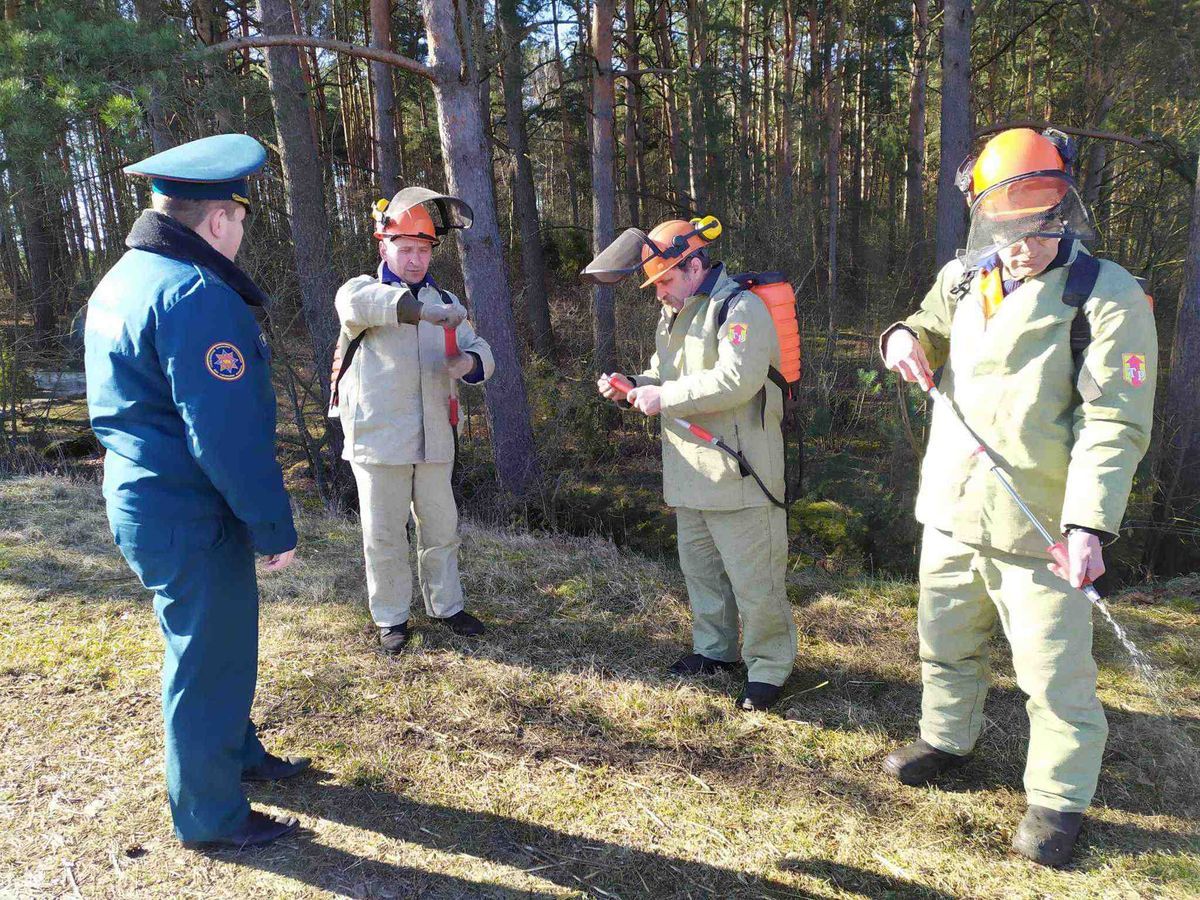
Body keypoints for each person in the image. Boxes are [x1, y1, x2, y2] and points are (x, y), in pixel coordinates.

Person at [879, 128, 1157, 866]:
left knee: (1053, 673)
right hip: (950, 506)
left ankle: (1059, 800)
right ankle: (946, 737)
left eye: (1039, 228)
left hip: (1043, 527)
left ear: (1063, 211)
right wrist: (901, 339)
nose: (1019, 245)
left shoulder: (1106, 293)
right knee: (944, 640)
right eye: (1004, 229)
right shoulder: (965, 275)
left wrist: (1090, 524)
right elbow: (926, 325)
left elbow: (1116, 420)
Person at [84, 134, 310, 848]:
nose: (242, 233)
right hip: (190, 506)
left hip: (146, 497)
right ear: (218, 221)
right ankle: (211, 818)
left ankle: (237, 756)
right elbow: (227, 435)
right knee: (205, 655)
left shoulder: (124, 277)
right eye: (240, 218)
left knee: (217, 642)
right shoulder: (195, 294)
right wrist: (273, 526)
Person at [585, 218, 797, 711]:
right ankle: (714, 651)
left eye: (664, 280)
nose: (659, 292)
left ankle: (768, 667)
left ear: (694, 265)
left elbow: (736, 380)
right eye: (655, 284)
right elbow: (666, 374)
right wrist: (633, 383)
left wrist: (665, 395)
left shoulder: (740, 308)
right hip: (690, 474)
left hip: (742, 474)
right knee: (701, 573)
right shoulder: (674, 313)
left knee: (755, 580)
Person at [330, 188, 494, 653]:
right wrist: (426, 313)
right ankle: (392, 617)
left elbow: (479, 348)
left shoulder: (446, 297)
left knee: (441, 528)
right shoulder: (360, 290)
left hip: (436, 435)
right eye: (406, 249)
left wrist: (469, 363)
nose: (416, 259)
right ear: (384, 247)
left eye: (423, 249)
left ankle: (447, 606)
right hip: (379, 437)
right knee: (383, 533)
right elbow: (367, 308)